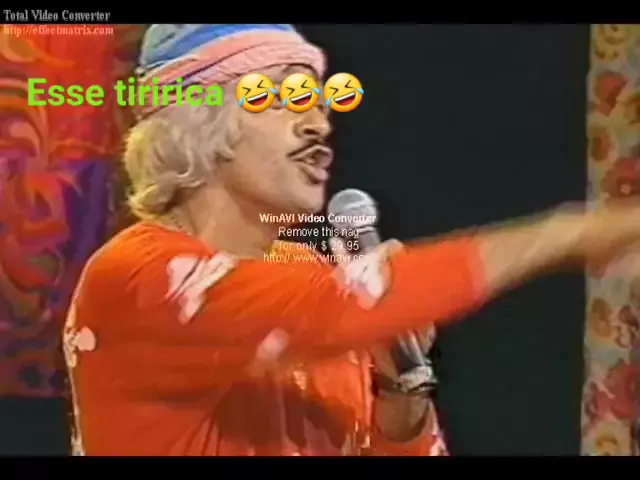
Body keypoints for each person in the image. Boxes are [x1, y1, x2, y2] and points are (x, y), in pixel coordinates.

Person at [63, 24, 640, 456]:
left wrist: (399, 388)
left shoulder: (308, 274)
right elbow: (332, 310)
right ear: (196, 119)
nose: (319, 124)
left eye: (319, 101)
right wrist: (568, 233)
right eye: (284, 97)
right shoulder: (135, 275)